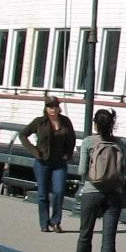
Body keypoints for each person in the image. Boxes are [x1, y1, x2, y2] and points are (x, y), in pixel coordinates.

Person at [73, 108, 126, 252]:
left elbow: (82, 170)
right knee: (108, 240)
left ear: (95, 124)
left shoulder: (89, 142)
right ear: (112, 124)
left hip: (91, 192)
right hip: (114, 194)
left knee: (85, 235)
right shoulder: (119, 144)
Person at [17, 97, 76, 233]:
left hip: (59, 162)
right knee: (43, 194)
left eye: (55, 106)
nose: (53, 110)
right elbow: (23, 135)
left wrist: (68, 153)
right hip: (43, 161)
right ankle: (44, 222)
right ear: (46, 108)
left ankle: (56, 222)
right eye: (50, 107)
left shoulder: (65, 121)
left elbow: (71, 138)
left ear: (58, 107)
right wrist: (34, 151)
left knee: (59, 191)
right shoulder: (40, 122)